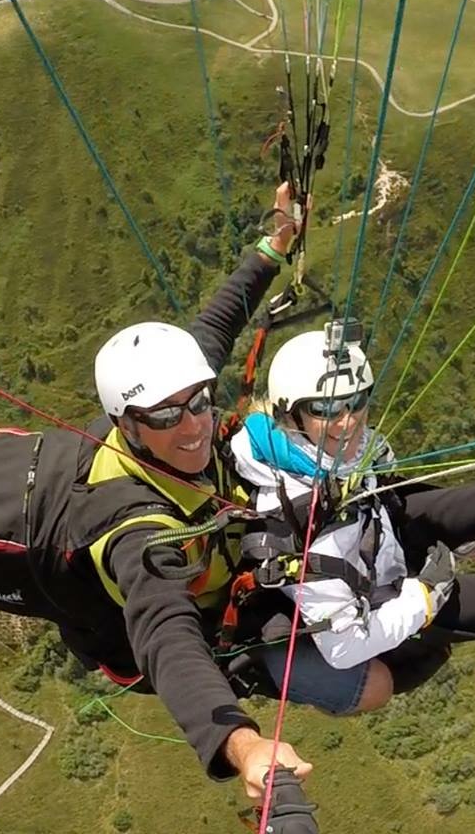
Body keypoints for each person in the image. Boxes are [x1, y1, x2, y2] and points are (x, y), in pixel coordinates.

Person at [81, 182, 316, 805]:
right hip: (217, 625)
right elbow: (164, 632)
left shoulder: (177, 392)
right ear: (125, 424)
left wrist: (275, 242)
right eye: (164, 417)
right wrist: (243, 745)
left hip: (236, 553)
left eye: (199, 403)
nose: (192, 425)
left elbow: (219, 319)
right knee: (374, 680)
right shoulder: (128, 518)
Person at [225, 325, 475, 720]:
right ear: (290, 415)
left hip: (377, 535)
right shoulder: (295, 522)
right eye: (325, 409)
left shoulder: (314, 452)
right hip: (380, 596)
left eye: (356, 402)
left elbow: (385, 484)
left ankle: (454, 543)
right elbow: (342, 649)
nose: (348, 422)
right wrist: (425, 597)